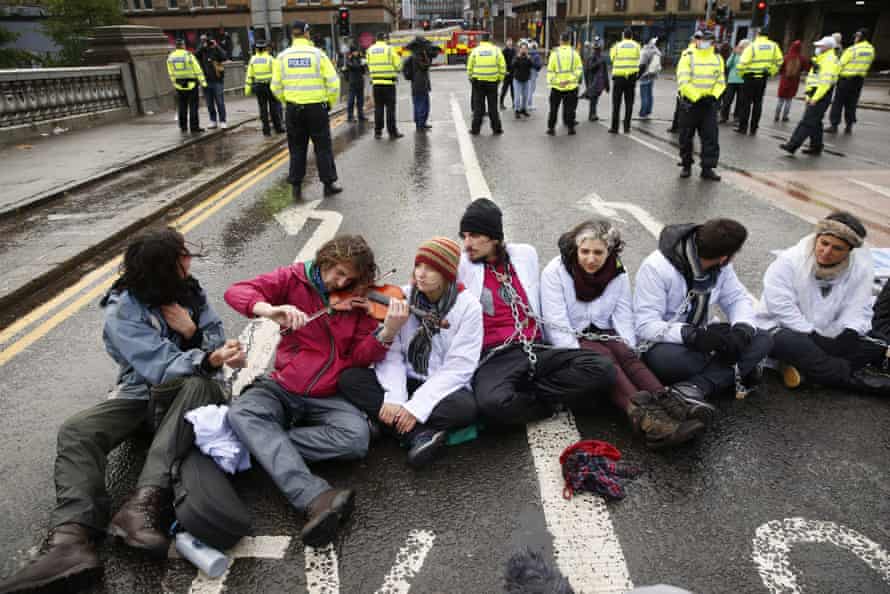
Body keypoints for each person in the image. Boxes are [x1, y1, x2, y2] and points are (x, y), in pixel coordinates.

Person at [0, 229, 242, 593]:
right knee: (77, 430)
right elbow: (158, 366)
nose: (189, 261)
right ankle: (71, 541)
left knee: (201, 383)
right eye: (182, 257)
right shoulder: (123, 310)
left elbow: (215, 339)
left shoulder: (189, 291)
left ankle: (141, 507)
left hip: (187, 397)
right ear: (163, 269)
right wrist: (205, 356)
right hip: (141, 395)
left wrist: (193, 334)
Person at [224, 235, 410, 547]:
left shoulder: (360, 300)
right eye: (336, 272)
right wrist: (269, 310)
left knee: (356, 439)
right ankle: (315, 496)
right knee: (242, 413)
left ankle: (266, 449)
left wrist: (387, 332)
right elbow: (236, 291)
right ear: (323, 260)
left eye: (349, 277)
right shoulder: (292, 279)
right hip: (284, 385)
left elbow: (360, 358)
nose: (341, 282)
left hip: (329, 394)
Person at [540, 220, 706, 449]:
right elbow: (555, 322)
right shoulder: (555, 272)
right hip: (572, 335)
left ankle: (665, 401)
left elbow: (623, 313)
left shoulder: (617, 272)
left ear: (610, 252)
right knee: (607, 361)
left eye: (598, 252)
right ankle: (650, 423)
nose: (590, 259)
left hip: (602, 330)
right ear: (576, 249)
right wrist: (577, 356)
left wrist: (627, 345)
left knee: (625, 355)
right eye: (585, 251)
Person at [457, 198, 616, 426]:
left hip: (535, 347)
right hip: (495, 356)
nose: (466, 243)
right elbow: (427, 278)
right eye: (463, 236)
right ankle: (551, 401)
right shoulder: (462, 266)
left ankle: (528, 395)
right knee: (493, 404)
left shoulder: (524, 255)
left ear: (494, 237)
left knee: (603, 368)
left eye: (473, 236)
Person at [339, 238, 481, 467]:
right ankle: (419, 435)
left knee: (464, 409)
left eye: (431, 268)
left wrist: (415, 407)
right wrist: (395, 396)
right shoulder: (400, 297)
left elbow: (459, 367)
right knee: (350, 379)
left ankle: (390, 424)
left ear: (448, 273)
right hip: (405, 379)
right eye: (418, 266)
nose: (421, 274)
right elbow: (391, 356)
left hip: (441, 386)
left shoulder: (468, 306)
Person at [634, 219, 774, 410]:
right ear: (726, 256)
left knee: (762, 338)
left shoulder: (721, 267)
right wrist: (690, 335)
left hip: (705, 334)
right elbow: (645, 325)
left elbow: (736, 299)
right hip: (667, 343)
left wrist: (741, 329)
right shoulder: (656, 266)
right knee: (673, 362)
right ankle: (735, 372)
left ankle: (695, 388)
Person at [755, 212, 890, 395]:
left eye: (837, 248)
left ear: (849, 251)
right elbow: (780, 307)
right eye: (824, 243)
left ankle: (808, 370)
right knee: (789, 342)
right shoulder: (789, 261)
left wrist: (851, 330)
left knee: (878, 343)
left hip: (829, 333)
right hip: (786, 329)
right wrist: (810, 333)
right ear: (817, 238)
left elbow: (862, 309)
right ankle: (856, 381)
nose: (826, 252)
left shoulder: (857, 270)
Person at [271, 20, 342, 201]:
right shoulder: (318, 55)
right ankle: (328, 184)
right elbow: (333, 83)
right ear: (306, 33)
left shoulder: (282, 57)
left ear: (292, 35)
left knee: (297, 148)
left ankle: (296, 186)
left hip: (294, 110)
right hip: (317, 109)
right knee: (323, 147)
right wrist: (329, 102)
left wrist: (287, 101)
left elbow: (275, 86)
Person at [676, 29, 725, 181]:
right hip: (690, 103)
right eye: (699, 39)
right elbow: (683, 81)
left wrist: (714, 96)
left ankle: (707, 168)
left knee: (711, 136)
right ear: (695, 40)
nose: (702, 42)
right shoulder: (687, 56)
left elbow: (721, 81)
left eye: (706, 39)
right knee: (686, 136)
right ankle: (686, 165)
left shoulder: (717, 58)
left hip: (709, 104)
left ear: (711, 41)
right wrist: (696, 97)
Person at [779, 36, 839, 157]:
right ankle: (816, 146)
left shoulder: (829, 60)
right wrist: (808, 93)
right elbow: (814, 77)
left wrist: (815, 98)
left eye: (820, 45)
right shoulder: (822, 58)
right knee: (815, 122)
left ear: (827, 47)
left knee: (807, 121)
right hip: (816, 92)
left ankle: (792, 145)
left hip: (820, 93)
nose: (817, 47)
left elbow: (825, 82)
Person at [827, 28, 875, 134]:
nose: (855, 39)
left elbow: (840, 64)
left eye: (857, 37)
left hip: (845, 80)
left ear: (861, 37)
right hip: (859, 80)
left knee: (838, 103)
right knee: (852, 103)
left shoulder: (852, 50)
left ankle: (834, 125)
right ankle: (849, 126)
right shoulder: (871, 49)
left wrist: (833, 78)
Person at [734, 28, 782, 135]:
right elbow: (779, 61)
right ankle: (753, 128)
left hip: (749, 78)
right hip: (762, 78)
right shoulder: (774, 46)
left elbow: (743, 63)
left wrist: (741, 74)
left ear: (758, 34)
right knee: (758, 103)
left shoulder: (752, 46)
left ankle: (743, 127)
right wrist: (771, 71)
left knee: (746, 104)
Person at [468, 33, 506, 135]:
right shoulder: (496, 50)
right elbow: (502, 66)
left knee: (478, 107)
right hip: (492, 82)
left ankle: (475, 129)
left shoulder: (476, 50)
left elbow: (470, 66)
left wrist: (471, 78)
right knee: (493, 107)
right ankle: (496, 129)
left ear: (481, 40)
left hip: (478, 82)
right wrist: (500, 79)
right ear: (490, 40)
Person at [367, 32, 404, 139]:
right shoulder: (389, 49)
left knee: (378, 108)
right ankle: (392, 132)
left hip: (376, 84)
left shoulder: (370, 50)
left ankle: (377, 132)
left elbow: (369, 65)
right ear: (385, 39)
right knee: (390, 109)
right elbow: (398, 66)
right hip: (388, 84)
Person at [245, 38, 285, 136]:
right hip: (270, 86)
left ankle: (266, 131)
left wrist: (247, 89)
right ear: (265, 48)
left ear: (257, 49)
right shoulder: (270, 59)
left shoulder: (253, 59)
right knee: (274, 108)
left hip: (259, 86)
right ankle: (278, 128)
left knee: (262, 109)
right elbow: (277, 75)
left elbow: (249, 76)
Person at [546, 32, 583, 136]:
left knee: (553, 109)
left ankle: (551, 128)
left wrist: (558, 82)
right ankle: (571, 128)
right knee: (570, 109)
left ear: (561, 41)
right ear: (569, 41)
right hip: (571, 87)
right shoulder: (575, 53)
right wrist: (569, 80)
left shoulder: (554, 53)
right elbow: (579, 70)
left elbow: (550, 71)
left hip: (557, 87)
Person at [167, 37, 206, 133]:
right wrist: (203, 82)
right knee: (193, 106)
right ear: (183, 45)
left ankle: (183, 126)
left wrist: (174, 82)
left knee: (182, 106)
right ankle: (194, 127)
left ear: (176, 46)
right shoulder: (188, 55)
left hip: (179, 84)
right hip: (192, 84)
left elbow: (170, 72)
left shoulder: (171, 57)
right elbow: (197, 70)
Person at [608, 28, 641, 134]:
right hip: (631, 77)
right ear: (631, 36)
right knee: (629, 103)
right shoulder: (637, 46)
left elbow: (612, 58)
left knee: (616, 103)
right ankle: (627, 127)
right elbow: (640, 59)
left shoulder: (617, 46)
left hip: (619, 77)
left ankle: (614, 127)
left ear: (623, 36)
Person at [667, 32, 700, 133]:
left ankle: (679, 128)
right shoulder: (704, 53)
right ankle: (681, 128)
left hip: (687, 88)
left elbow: (682, 70)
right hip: (695, 88)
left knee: (682, 110)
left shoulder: (688, 52)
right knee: (688, 110)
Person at [196, 35, 228, 129]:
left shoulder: (215, 49)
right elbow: (195, 55)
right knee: (209, 103)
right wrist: (202, 47)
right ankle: (213, 120)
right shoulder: (202, 51)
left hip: (217, 80)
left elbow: (224, 57)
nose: (206, 42)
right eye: (203, 41)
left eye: (207, 41)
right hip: (206, 81)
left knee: (220, 102)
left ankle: (222, 121)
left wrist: (216, 46)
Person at [775, 40, 808, 123]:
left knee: (780, 100)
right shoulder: (802, 59)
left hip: (784, 80)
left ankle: (776, 116)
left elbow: (780, 68)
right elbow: (805, 68)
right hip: (794, 81)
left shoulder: (786, 57)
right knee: (788, 100)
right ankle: (785, 117)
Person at [406, 36, 435, 132]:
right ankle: (420, 125)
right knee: (422, 105)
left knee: (421, 104)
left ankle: (421, 123)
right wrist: (428, 58)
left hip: (418, 84)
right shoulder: (418, 55)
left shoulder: (415, 55)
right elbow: (424, 66)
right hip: (420, 85)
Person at [720, 39, 749, 124]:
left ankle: (737, 117)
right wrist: (733, 54)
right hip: (732, 80)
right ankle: (724, 116)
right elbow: (728, 64)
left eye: (743, 47)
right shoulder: (735, 54)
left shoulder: (748, 55)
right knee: (727, 99)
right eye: (740, 47)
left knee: (740, 101)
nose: (741, 48)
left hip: (742, 80)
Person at [583, 37, 610, 122]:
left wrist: (607, 85)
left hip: (599, 82)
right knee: (593, 99)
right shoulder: (591, 58)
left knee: (595, 99)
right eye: (596, 48)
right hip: (593, 82)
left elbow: (605, 72)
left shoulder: (602, 58)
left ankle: (593, 114)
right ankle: (592, 115)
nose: (598, 50)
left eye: (598, 49)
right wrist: (587, 84)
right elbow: (588, 70)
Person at [638, 37, 662, 119]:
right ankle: (648, 111)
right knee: (649, 94)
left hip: (645, 75)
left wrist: (638, 76)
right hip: (652, 75)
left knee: (644, 95)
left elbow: (642, 64)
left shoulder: (645, 51)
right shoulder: (655, 50)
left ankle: (643, 113)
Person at [343, 45, 368, 123]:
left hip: (360, 81)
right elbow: (353, 67)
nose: (357, 53)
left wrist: (364, 65)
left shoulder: (360, 58)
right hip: (353, 82)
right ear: (352, 52)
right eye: (355, 51)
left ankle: (361, 115)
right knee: (351, 100)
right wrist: (361, 64)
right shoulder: (349, 59)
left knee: (360, 101)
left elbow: (364, 71)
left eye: (357, 51)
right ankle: (350, 117)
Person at [512, 42, 534, 118]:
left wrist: (529, 58)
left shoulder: (529, 57)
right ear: (519, 49)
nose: (523, 50)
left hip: (526, 80)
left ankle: (523, 109)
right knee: (517, 97)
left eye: (525, 48)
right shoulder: (516, 57)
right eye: (522, 48)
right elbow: (513, 65)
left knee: (525, 96)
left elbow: (532, 66)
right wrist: (518, 58)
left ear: (527, 49)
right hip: (517, 80)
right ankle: (517, 110)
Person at [500, 38, 516, 110]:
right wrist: (504, 71)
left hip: (513, 73)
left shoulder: (514, 51)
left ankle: (514, 103)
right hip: (507, 73)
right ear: (506, 43)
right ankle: (501, 103)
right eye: (508, 41)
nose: (510, 43)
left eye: (511, 41)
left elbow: (516, 60)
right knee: (504, 89)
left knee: (514, 89)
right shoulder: (504, 51)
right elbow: (502, 62)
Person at [527, 40, 543, 111]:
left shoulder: (527, 53)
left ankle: (525, 104)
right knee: (531, 89)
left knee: (527, 89)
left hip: (527, 72)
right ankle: (529, 105)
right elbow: (539, 65)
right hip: (533, 72)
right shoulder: (537, 55)